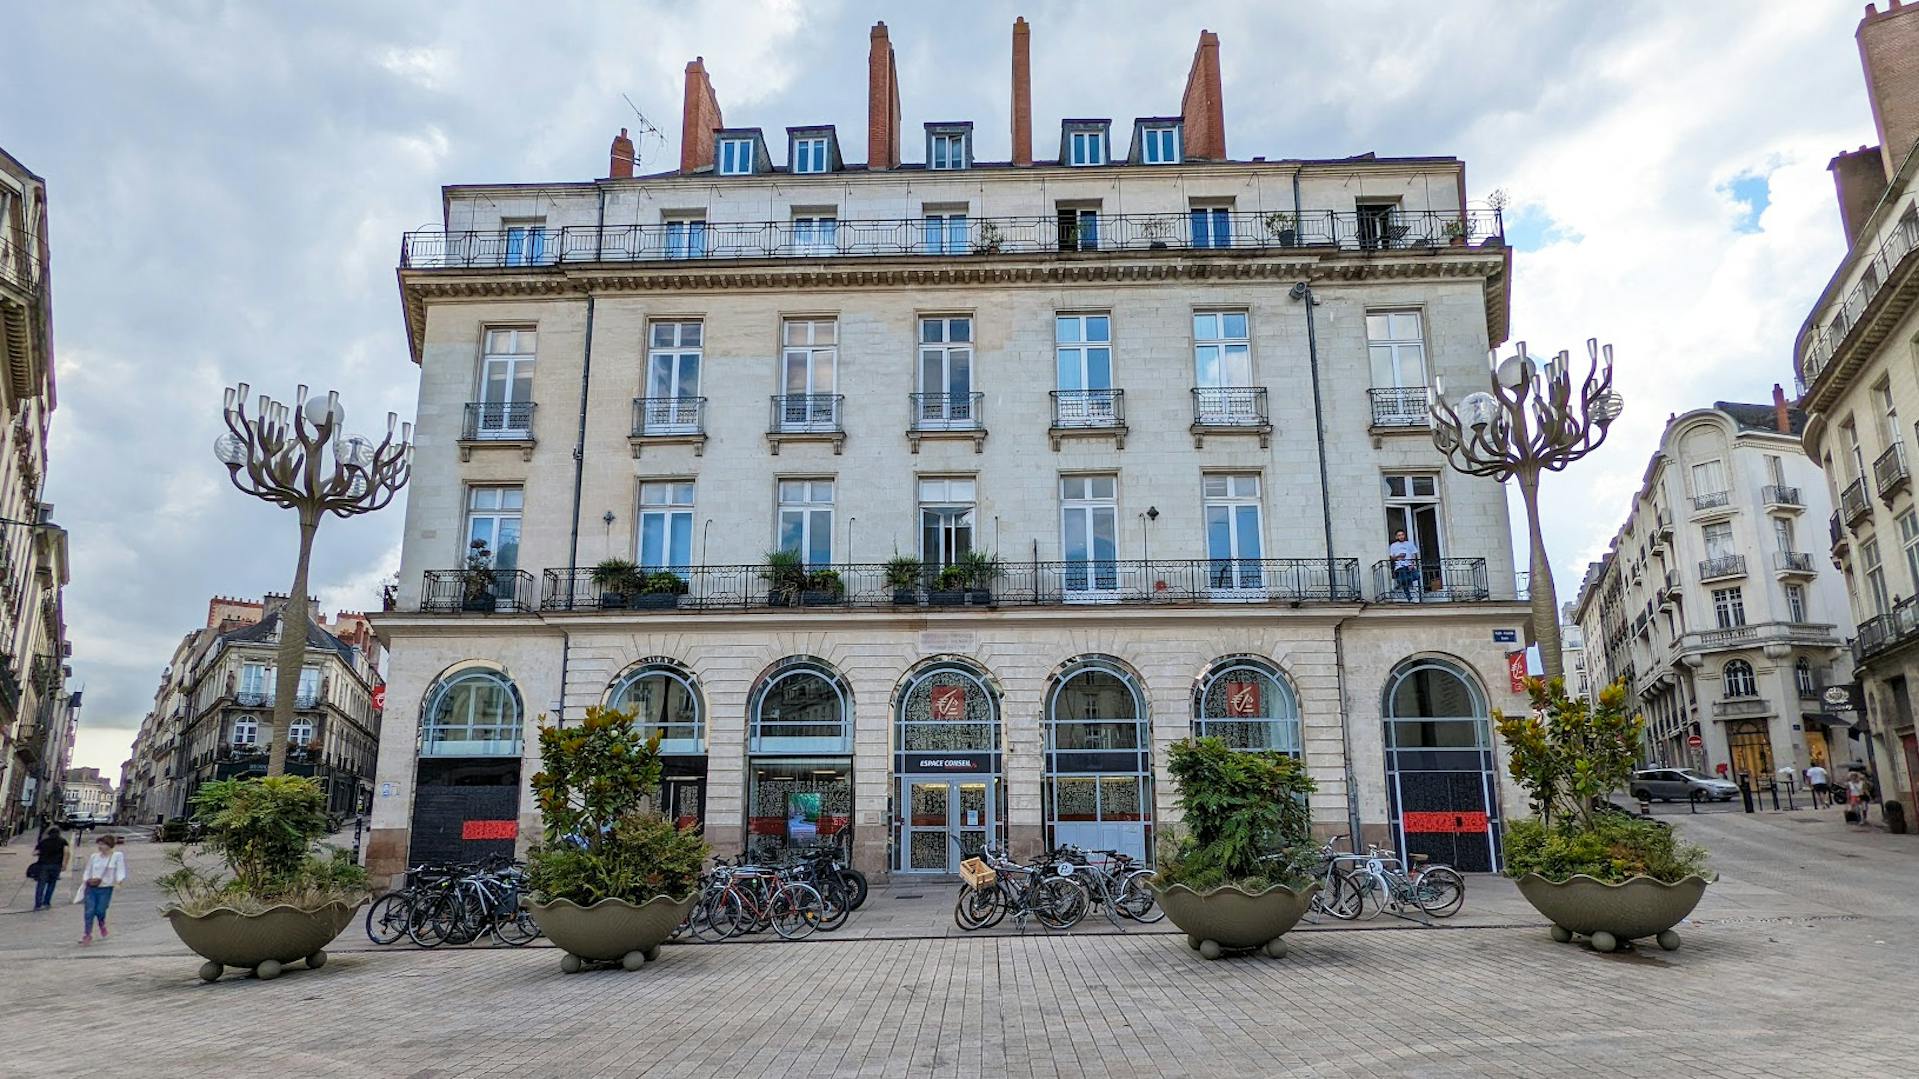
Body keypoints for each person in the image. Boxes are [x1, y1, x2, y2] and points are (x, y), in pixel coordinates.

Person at [74, 834, 127, 945]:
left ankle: (101, 923)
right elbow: (88, 870)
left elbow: (120, 869)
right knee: (89, 911)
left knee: (100, 910)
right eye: (99, 844)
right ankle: (87, 934)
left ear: (109, 845)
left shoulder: (117, 856)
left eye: (103, 844)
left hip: (105, 888)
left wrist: (119, 880)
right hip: (91, 887)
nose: (100, 846)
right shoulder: (94, 857)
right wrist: (85, 880)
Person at [30, 826, 68, 911]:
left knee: (41, 884)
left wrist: (42, 852)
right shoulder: (63, 841)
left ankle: (38, 904)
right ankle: (47, 902)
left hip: (43, 865)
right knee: (52, 884)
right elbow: (66, 852)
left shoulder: (43, 842)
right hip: (56, 865)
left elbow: (34, 853)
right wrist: (64, 864)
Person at [1388, 529, 1421, 602]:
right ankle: (1409, 598)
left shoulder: (1409, 544)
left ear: (1404, 535)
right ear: (1396, 537)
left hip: (1409, 565)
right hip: (1399, 566)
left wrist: (1412, 564)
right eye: (1399, 535)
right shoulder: (1393, 545)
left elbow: (1414, 554)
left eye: (1402, 535)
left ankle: (1400, 582)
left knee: (1417, 576)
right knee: (1405, 581)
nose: (1401, 536)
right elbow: (1391, 557)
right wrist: (1398, 556)